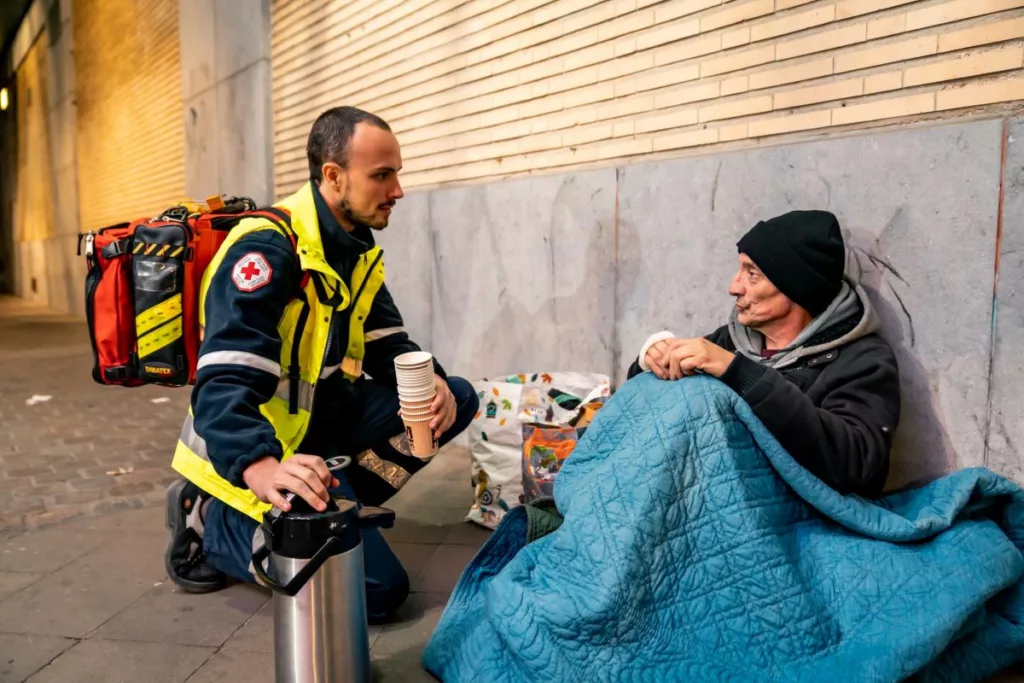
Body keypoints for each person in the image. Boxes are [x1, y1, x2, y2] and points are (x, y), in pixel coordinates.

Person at [164, 106, 479, 622]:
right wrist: (260, 468)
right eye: (382, 175)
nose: (397, 190)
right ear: (333, 176)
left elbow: (387, 342)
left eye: (396, 173)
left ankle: (332, 504)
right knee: (377, 593)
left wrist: (434, 384)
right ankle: (209, 522)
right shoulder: (268, 252)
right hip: (263, 450)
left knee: (457, 397)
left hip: (324, 428)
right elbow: (221, 383)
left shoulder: (354, 246)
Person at [627, 210, 900, 497]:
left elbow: (855, 465)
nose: (734, 287)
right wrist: (650, 360)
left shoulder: (863, 360)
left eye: (752, 274)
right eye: (739, 271)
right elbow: (644, 408)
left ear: (796, 287)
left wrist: (741, 374)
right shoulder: (730, 340)